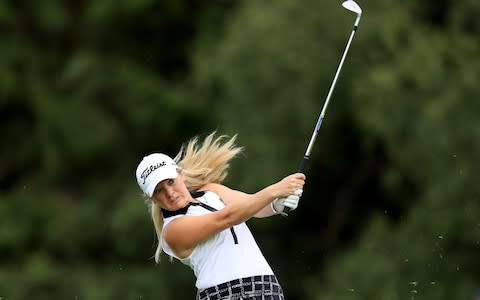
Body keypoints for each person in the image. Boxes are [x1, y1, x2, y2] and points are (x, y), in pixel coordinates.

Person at [135, 133, 305, 300]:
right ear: (151, 198)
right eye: (159, 190)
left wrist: (276, 204)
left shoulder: (211, 191)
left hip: (268, 289)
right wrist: (275, 190)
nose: (170, 193)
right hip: (224, 295)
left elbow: (252, 206)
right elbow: (226, 218)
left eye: (170, 181)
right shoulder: (172, 230)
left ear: (181, 174)